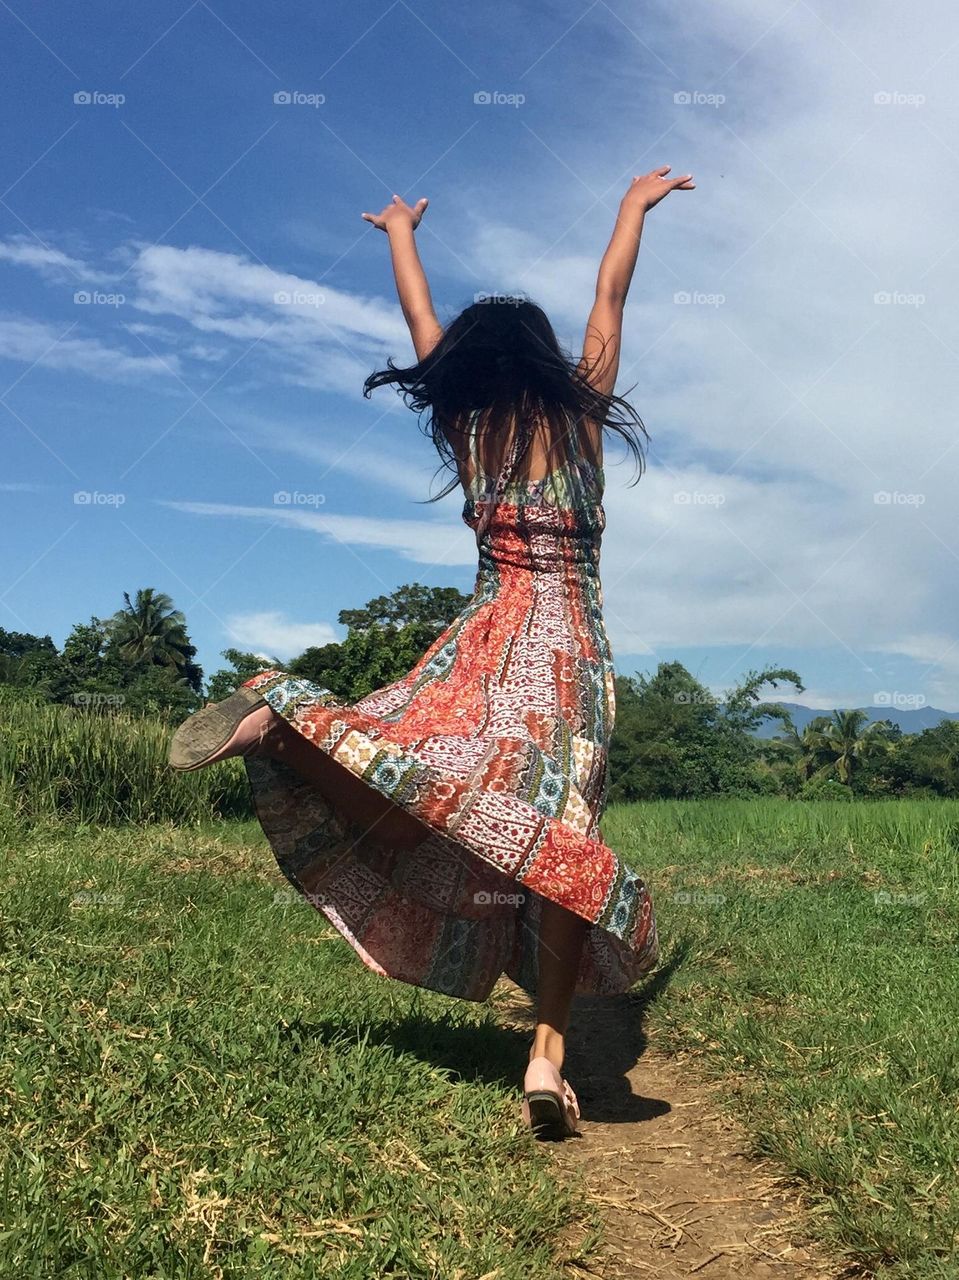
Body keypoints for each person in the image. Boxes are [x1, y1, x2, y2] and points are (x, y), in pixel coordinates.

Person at [168, 165, 695, 1140]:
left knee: (431, 800)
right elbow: (608, 300)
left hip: (477, 651)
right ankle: (546, 1054)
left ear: (467, 367)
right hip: (564, 659)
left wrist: (400, 233)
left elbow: (420, 325)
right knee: (559, 848)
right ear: (541, 358)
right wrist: (630, 207)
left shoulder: (470, 430)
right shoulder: (575, 419)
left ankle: (284, 739)